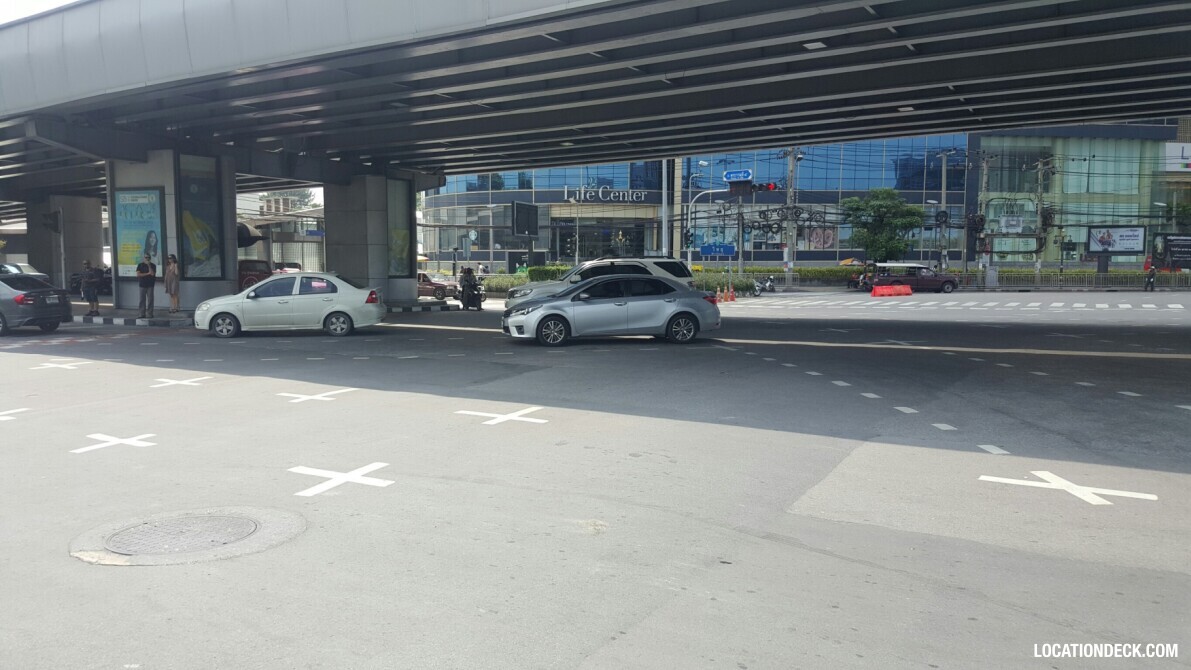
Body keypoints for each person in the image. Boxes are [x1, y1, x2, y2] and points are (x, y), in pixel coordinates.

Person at [136, 253, 157, 318]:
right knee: (142, 300)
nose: (147, 259)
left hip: (150, 285)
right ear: (144, 258)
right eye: (146, 257)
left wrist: (149, 266)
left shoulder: (153, 265)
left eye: (148, 257)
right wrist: (148, 273)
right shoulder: (140, 265)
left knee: (150, 300)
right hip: (142, 285)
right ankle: (142, 314)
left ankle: (150, 314)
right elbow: (138, 274)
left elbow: (152, 274)